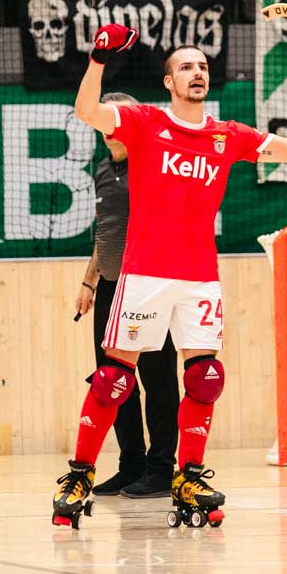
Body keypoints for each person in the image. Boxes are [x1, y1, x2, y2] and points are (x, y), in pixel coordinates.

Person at [52, 25, 287, 528]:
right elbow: (88, 111)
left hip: (199, 276)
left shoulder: (227, 135)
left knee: (204, 378)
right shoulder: (146, 122)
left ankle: (189, 474)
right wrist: (99, 59)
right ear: (170, 81)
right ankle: (80, 474)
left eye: (203, 66)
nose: (198, 73)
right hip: (145, 272)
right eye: (186, 66)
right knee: (113, 379)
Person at [75, 92, 181, 500]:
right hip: (110, 288)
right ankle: (131, 464)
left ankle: (160, 468)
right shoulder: (102, 170)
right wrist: (89, 282)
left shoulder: (156, 165)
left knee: (158, 380)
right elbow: (105, 234)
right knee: (112, 383)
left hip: (151, 287)